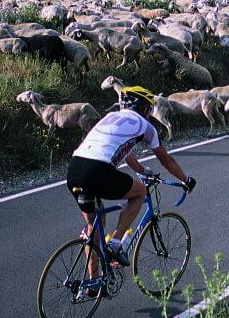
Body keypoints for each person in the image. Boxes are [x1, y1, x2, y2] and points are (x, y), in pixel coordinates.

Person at [67, 85, 196, 269]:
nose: (150, 114)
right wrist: (186, 180)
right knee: (140, 192)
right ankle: (116, 243)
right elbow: (166, 160)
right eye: (149, 110)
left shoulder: (110, 118)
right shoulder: (146, 126)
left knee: (95, 226)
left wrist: (142, 171)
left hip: (74, 168)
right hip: (98, 169)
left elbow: (126, 152)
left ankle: (93, 284)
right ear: (144, 109)